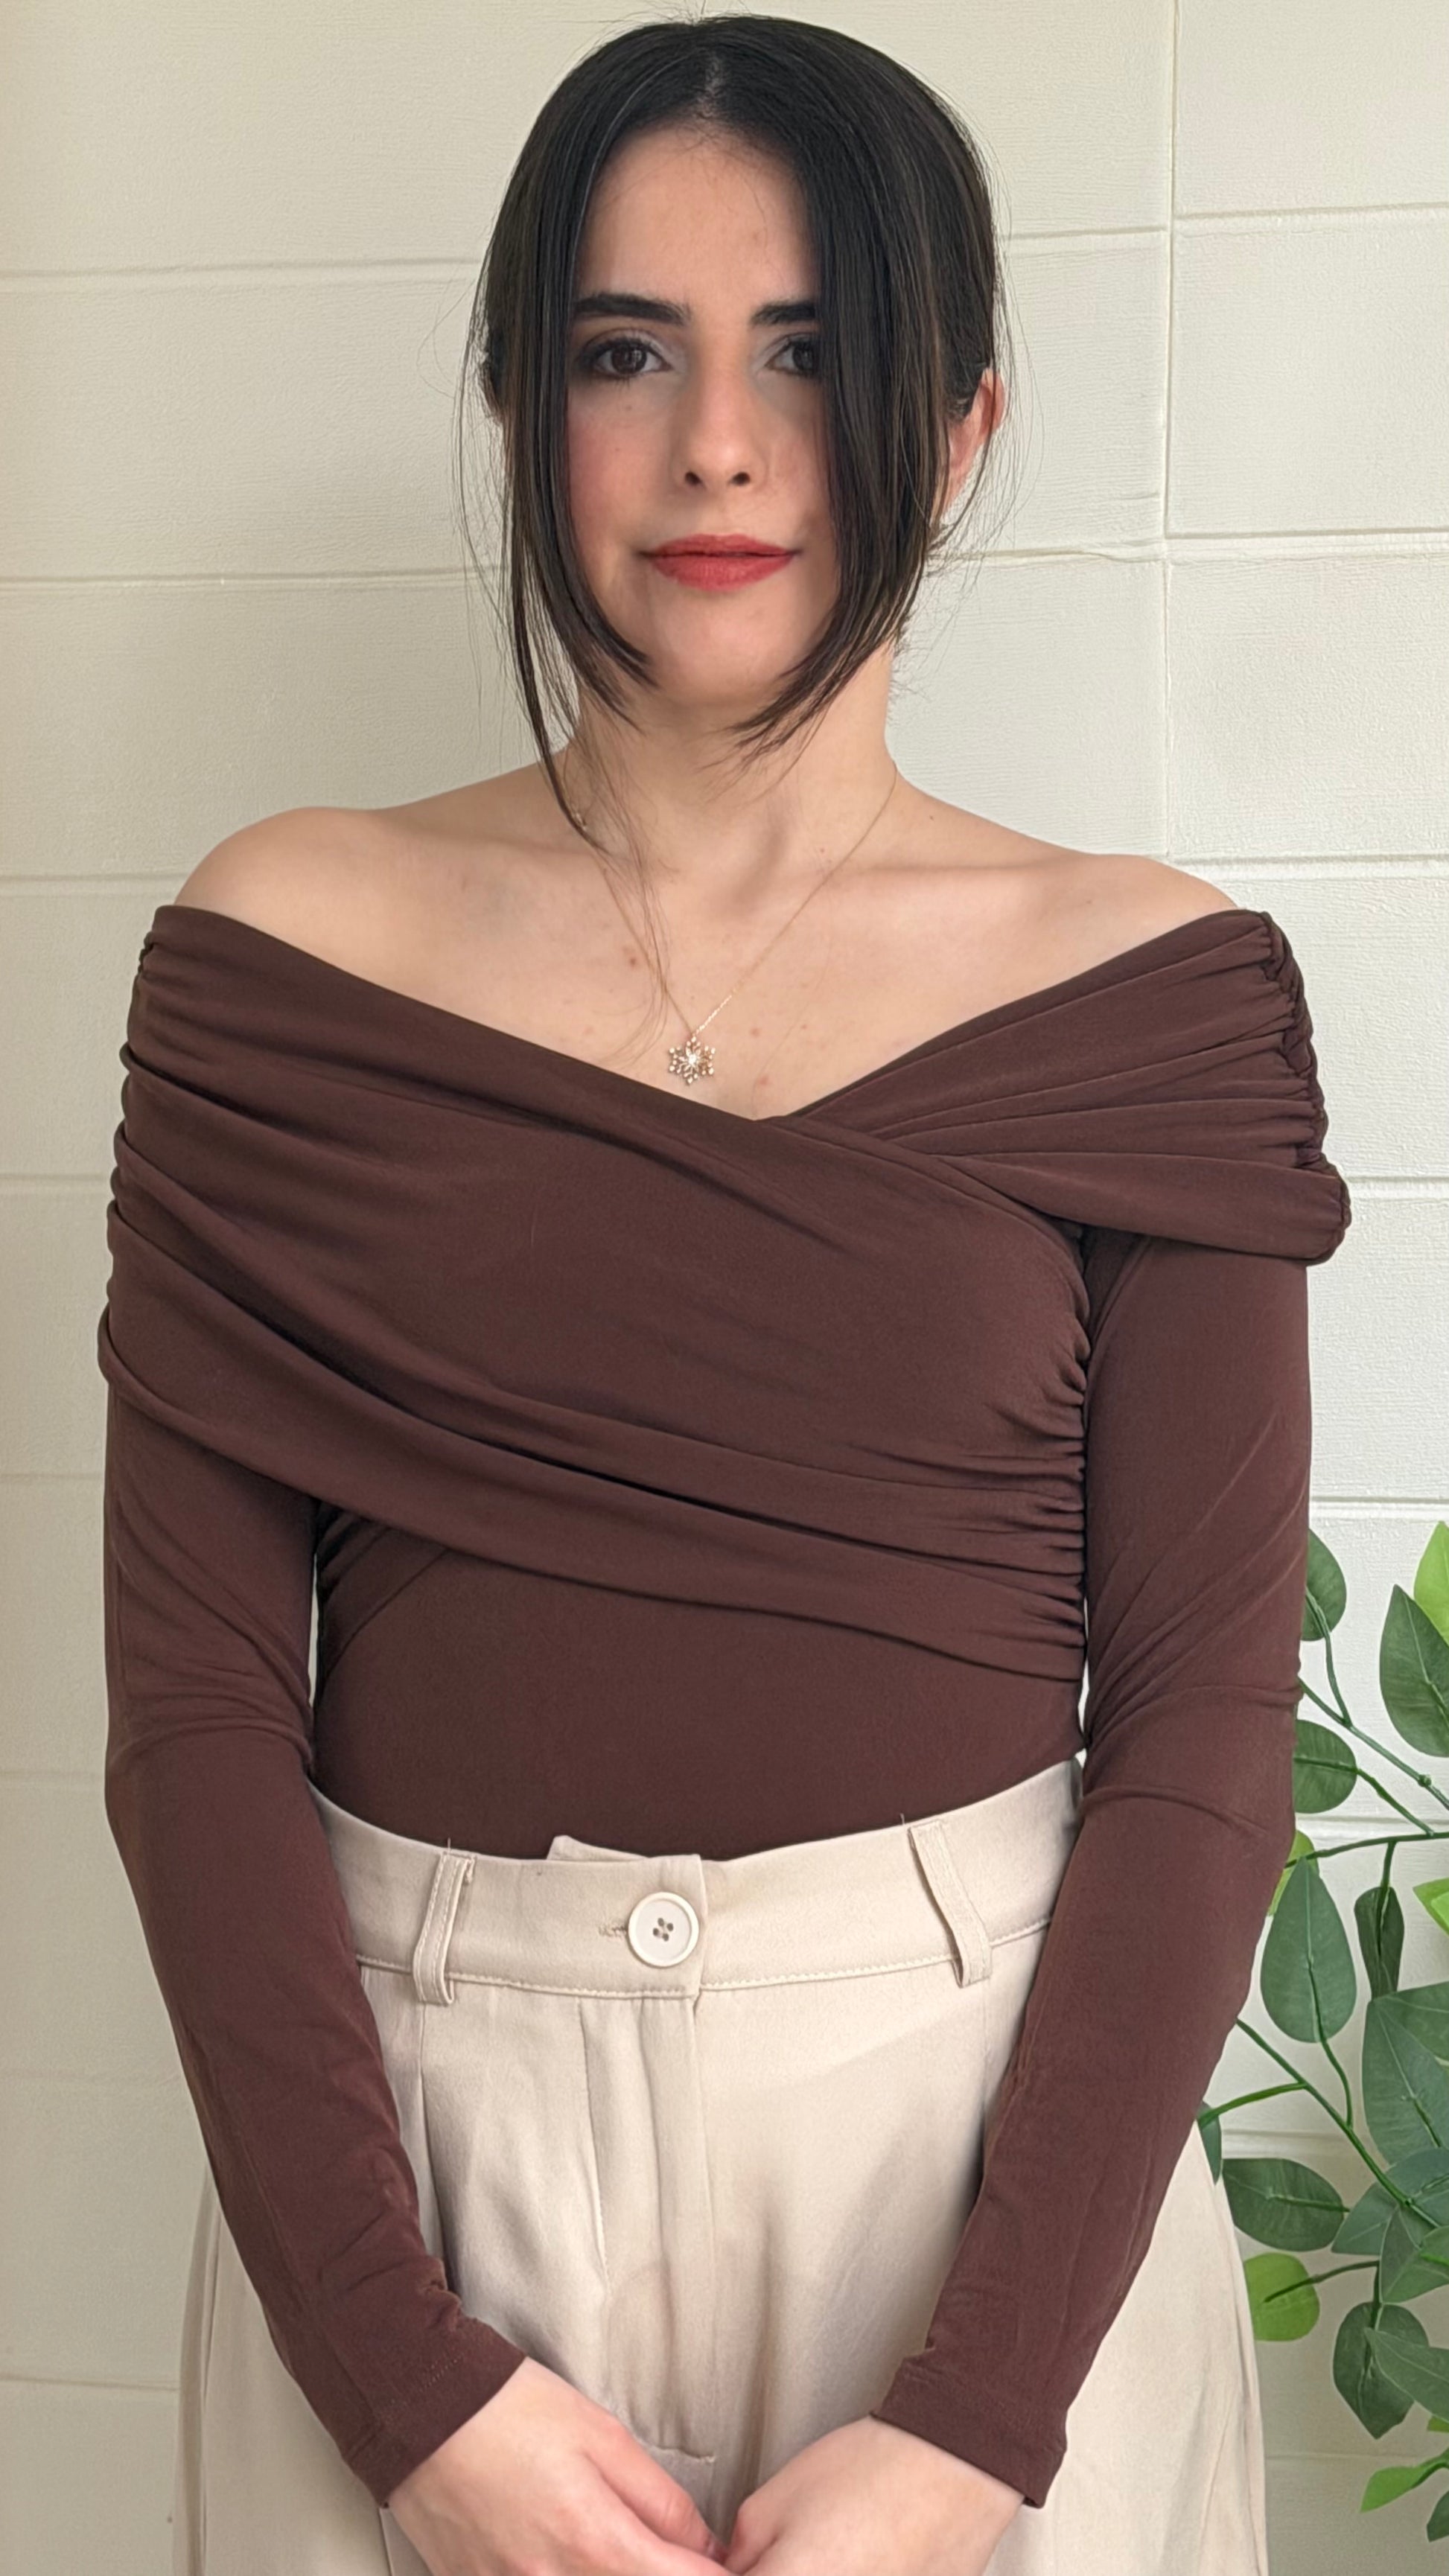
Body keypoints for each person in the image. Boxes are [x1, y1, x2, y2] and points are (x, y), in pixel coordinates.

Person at [96, 17, 1351, 2576]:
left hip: (975, 2174)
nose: (715, 449)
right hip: (412, 2180)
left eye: (808, 351)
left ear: (960, 424)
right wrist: (396, 2373)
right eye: (621, 352)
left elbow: (1203, 1729)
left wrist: (982, 2410)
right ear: (513, 401)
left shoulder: (1151, 989)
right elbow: (198, 1714)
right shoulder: (279, 952)